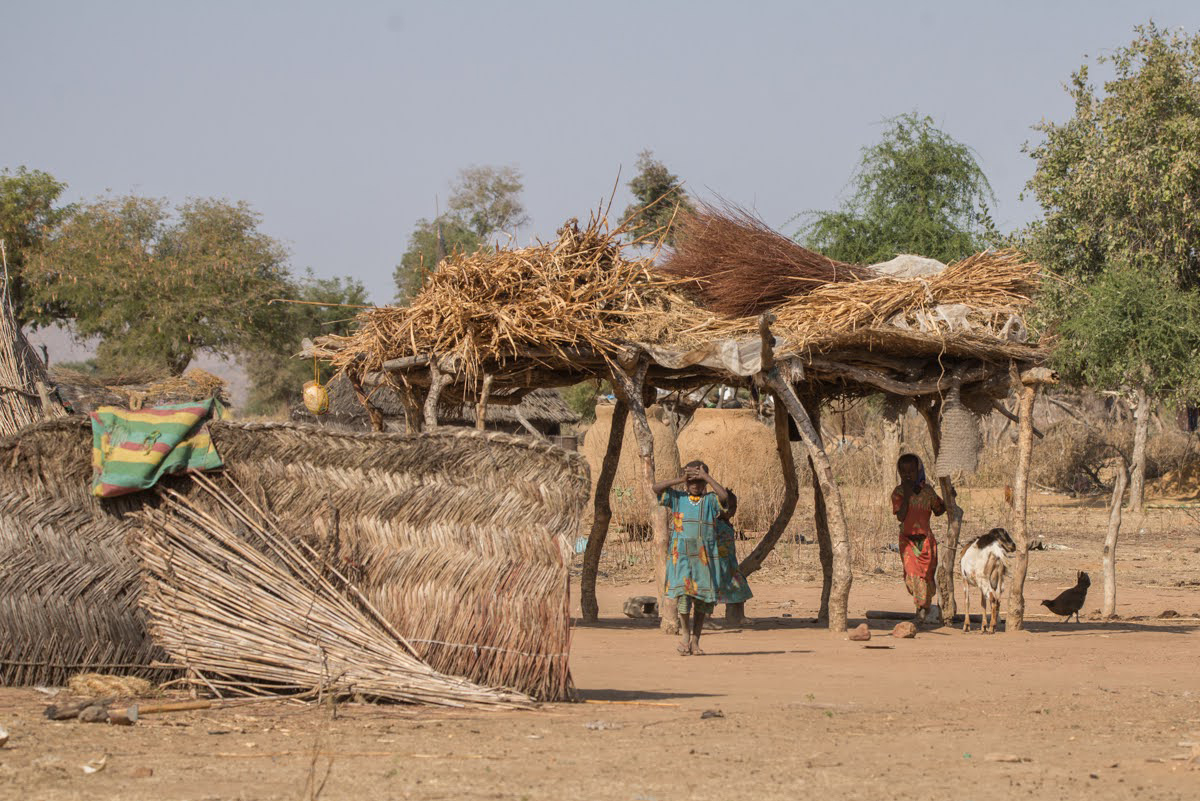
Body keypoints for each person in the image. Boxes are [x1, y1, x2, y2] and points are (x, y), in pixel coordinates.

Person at [653, 460, 748, 655]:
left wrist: (706, 476)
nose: (695, 485)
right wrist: (680, 479)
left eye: (699, 482)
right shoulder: (677, 498)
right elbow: (656, 487)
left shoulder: (711, 500)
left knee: (702, 603)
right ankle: (685, 637)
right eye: (691, 481)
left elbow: (725, 498)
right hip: (681, 559)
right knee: (684, 600)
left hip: (705, 560)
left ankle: (696, 640)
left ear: (704, 484)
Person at [891, 453, 945, 623]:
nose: (907, 475)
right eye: (903, 471)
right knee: (912, 575)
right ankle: (921, 608)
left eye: (911, 471)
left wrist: (950, 497)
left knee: (926, 577)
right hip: (907, 541)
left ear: (918, 471)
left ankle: (922, 610)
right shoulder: (898, 493)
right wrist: (907, 495)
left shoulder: (927, 491)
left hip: (926, 542)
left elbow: (939, 510)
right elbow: (900, 516)